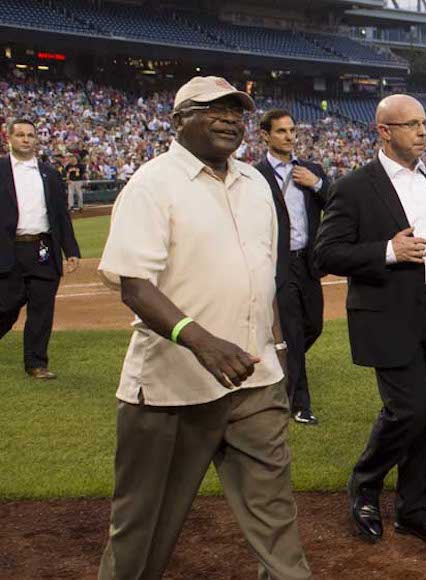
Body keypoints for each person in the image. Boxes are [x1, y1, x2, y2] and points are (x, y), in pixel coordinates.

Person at [95, 76, 311, 580]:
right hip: (173, 389)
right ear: (178, 121)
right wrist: (203, 342)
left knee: (277, 523)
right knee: (143, 529)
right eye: (212, 109)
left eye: (236, 111)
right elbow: (135, 287)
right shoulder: (152, 184)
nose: (230, 118)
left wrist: (276, 345)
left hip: (255, 384)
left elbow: (263, 275)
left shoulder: (256, 183)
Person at [315, 94, 426, 546]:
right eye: (411, 125)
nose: (423, 131)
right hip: (387, 315)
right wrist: (388, 251)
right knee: (410, 409)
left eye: (424, 123)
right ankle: (365, 484)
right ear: (384, 132)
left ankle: (414, 511)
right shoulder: (353, 187)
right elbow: (324, 254)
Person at [255, 109, 331, 425]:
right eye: (281, 131)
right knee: (294, 333)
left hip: (308, 263)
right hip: (279, 265)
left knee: (313, 325)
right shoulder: (255, 176)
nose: (289, 136)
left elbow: (338, 203)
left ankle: (281, 365)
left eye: (292, 130)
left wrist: (316, 184)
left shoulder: (310, 170)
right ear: (265, 135)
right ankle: (300, 405)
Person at [0, 118, 80, 380]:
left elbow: (60, 215)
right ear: (8, 139)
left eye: (30, 135)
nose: (26, 139)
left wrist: (71, 250)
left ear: (36, 140)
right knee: (6, 306)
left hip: (44, 250)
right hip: (9, 250)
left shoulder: (49, 173)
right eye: (20, 135)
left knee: (42, 311)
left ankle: (36, 363)